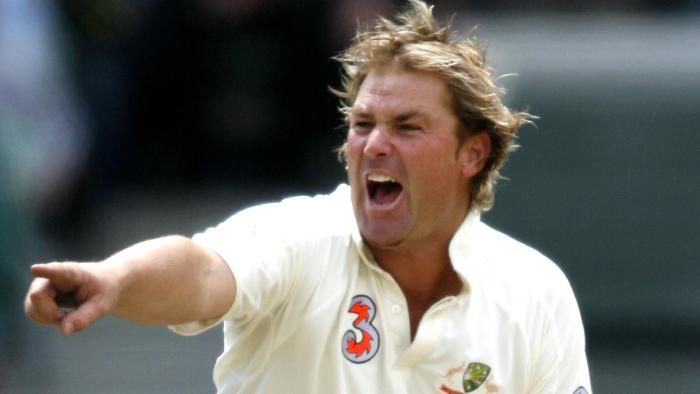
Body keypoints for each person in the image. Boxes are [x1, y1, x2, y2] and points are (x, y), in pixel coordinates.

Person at [24, 1, 591, 393]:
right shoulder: (302, 238)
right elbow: (200, 273)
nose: (375, 145)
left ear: (472, 153)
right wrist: (115, 280)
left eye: (408, 127)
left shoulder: (535, 293)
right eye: (363, 124)